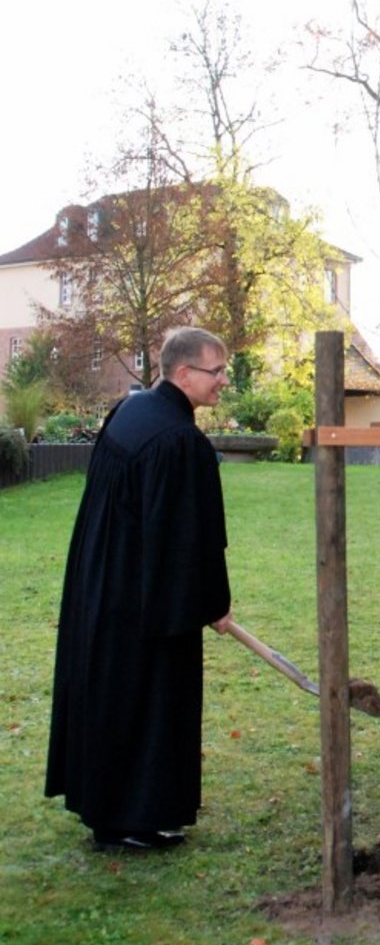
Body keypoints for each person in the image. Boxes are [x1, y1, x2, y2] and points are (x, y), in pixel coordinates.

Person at [45, 327, 233, 851]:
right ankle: (130, 818)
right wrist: (213, 602)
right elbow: (190, 537)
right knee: (143, 700)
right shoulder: (178, 440)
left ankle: (115, 810)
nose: (223, 381)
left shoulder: (131, 412)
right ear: (183, 374)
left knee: (112, 694)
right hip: (144, 599)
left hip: (103, 582)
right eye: (215, 371)